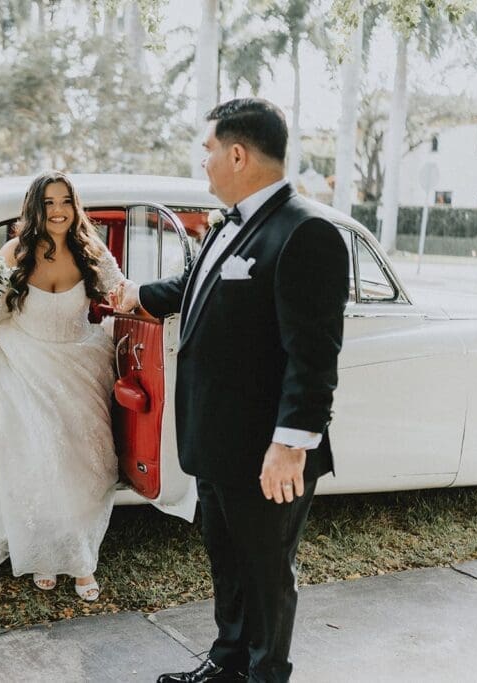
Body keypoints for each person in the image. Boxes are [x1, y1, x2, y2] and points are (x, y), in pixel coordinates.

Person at [116, 98, 349, 682]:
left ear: (238, 153)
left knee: (267, 574)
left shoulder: (307, 230)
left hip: (266, 451)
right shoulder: (232, 223)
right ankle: (227, 665)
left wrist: (291, 444)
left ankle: (267, 674)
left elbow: (313, 354)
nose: (205, 163)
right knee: (230, 564)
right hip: (218, 441)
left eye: (209, 150)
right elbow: (195, 287)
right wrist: (134, 294)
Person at [0, 171, 124, 602]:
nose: (59, 210)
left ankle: (82, 558)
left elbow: (121, 292)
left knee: (86, 464)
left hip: (80, 362)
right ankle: (43, 554)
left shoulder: (90, 250)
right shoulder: (15, 252)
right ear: (34, 208)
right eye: (48, 203)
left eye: (65, 201)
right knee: (38, 460)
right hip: (24, 361)